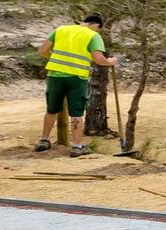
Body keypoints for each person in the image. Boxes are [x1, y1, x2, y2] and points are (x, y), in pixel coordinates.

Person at [34, 14, 118, 156]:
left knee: (52, 109)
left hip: (55, 75)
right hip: (77, 77)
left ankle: (44, 140)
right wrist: (110, 62)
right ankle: (77, 147)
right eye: (98, 30)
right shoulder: (93, 35)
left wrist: (58, 58)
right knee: (77, 112)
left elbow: (42, 51)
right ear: (96, 25)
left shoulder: (60, 30)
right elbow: (98, 59)